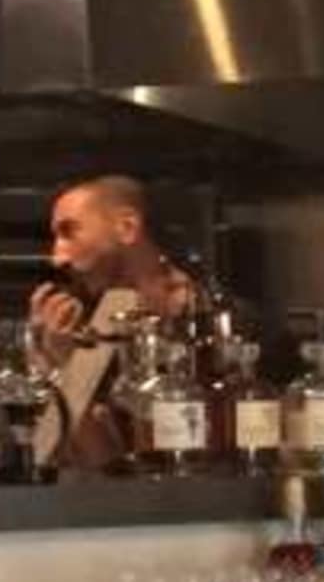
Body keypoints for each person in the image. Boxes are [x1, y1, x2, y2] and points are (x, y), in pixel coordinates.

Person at [28, 174, 203, 473]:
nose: (56, 258)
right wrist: (59, 365)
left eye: (70, 232)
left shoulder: (204, 319)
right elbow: (87, 462)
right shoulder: (95, 324)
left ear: (127, 228)